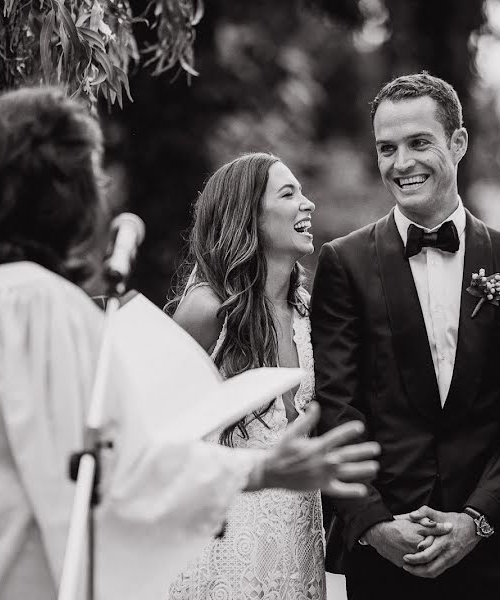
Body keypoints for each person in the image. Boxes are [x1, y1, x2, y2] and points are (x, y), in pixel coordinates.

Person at [0, 88, 380, 600]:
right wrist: (260, 469)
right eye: (89, 177)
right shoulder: (38, 306)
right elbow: (108, 474)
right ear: (57, 194)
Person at [311, 73, 500, 599]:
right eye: (387, 148)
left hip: (496, 554)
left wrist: (477, 520)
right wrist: (375, 525)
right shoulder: (344, 264)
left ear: (458, 143)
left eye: (418, 143)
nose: (400, 163)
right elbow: (337, 407)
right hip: (386, 558)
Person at [164, 153, 390, 600]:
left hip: (296, 540)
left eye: (302, 192)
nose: (307, 204)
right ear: (246, 214)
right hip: (223, 547)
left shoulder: (308, 312)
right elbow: (164, 440)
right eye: (288, 194)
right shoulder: (207, 311)